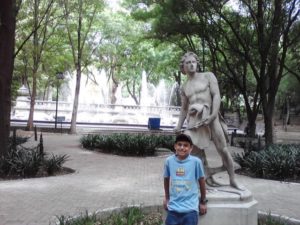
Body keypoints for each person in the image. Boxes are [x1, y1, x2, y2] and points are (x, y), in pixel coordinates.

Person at [174, 51, 240, 189]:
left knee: (223, 149)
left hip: (211, 116)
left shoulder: (208, 76)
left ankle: (233, 180)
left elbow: (216, 95)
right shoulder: (185, 86)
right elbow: (184, 108)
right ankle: (205, 180)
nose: (191, 65)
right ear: (183, 67)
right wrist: (178, 125)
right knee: (196, 153)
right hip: (195, 121)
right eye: (188, 63)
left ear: (197, 63)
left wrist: (213, 115)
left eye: (193, 62)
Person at [163, 133, 207, 225]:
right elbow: (166, 179)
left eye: (186, 145)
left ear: (191, 148)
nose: (182, 148)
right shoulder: (169, 161)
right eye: (179, 144)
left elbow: (202, 181)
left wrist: (203, 202)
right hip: (173, 209)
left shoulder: (196, 162)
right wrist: (167, 198)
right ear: (175, 146)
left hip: (190, 210)